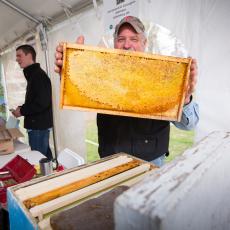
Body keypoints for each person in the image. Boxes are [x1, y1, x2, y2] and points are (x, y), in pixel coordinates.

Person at [55, 16, 199, 167]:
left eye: (134, 39)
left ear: (144, 43)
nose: (127, 45)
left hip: (149, 163)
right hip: (110, 162)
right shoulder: (101, 74)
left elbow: (188, 125)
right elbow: (79, 91)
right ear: (115, 44)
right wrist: (71, 71)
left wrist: (186, 98)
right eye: (121, 39)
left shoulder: (162, 75)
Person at [12, 44, 53, 159]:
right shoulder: (33, 75)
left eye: (19, 56)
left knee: (39, 160)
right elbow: (35, 100)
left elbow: (42, 103)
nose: (17, 59)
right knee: (45, 159)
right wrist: (21, 108)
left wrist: (22, 111)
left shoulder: (38, 76)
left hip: (38, 127)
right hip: (37, 126)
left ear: (29, 55)